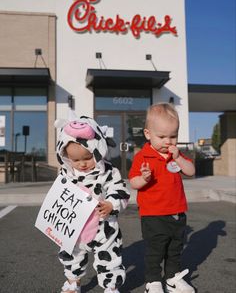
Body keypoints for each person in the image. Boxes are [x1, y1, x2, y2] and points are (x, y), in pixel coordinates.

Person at [54, 113, 130, 293]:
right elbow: (59, 195)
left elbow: (120, 189)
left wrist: (112, 204)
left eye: (87, 158)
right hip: (74, 226)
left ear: (98, 148)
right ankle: (73, 281)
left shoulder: (108, 171)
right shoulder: (66, 174)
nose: (81, 164)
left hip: (103, 226)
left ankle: (111, 286)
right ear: (65, 156)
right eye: (75, 160)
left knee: (110, 256)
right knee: (72, 254)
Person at [128, 103, 195, 293]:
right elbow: (133, 182)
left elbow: (191, 171)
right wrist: (144, 178)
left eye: (173, 136)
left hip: (177, 211)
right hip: (153, 214)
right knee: (155, 250)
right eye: (162, 136)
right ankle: (153, 281)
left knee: (175, 249)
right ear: (148, 134)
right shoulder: (144, 156)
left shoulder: (176, 154)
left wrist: (179, 158)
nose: (168, 141)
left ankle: (172, 278)